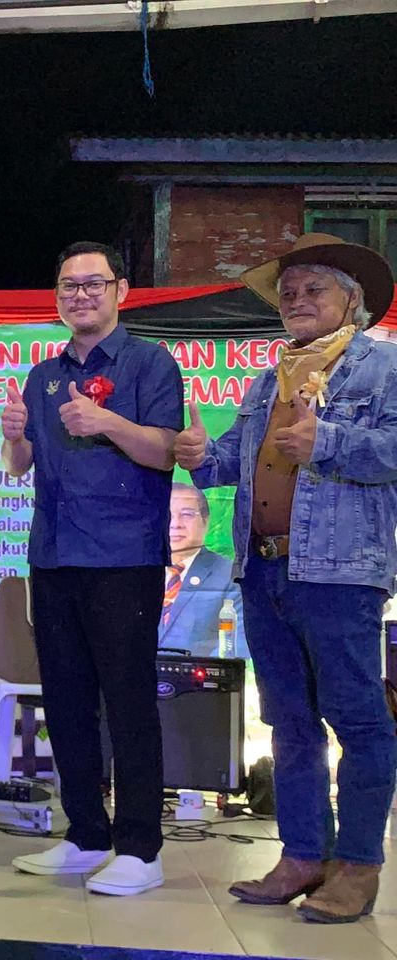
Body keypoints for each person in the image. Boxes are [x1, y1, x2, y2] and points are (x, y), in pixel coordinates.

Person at [175, 233, 397, 923]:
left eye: (313, 289)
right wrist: (197, 454)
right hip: (263, 570)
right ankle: (303, 855)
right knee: (290, 723)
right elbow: (227, 466)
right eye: (289, 292)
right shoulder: (267, 380)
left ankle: (357, 865)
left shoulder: (384, 367)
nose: (296, 301)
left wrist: (328, 441)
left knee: (358, 720)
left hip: (339, 576)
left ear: (352, 301)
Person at [1, 241, 183, 896]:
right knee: (66, 700)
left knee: (127, 702)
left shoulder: (150, 363)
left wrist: (106, 421)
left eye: (93, 284)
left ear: (121, 291)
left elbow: (166, 451)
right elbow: (20, 465)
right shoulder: (43, 374)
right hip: (54, 554)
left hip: (122, 557)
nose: (79, 295)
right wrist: (15, 434)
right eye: (68, 286)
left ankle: (140, 848)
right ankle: (85, 835)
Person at [158, 483, 246, 658]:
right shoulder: (137, 573)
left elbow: (237, 646)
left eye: (187, 515)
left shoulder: (230, 576)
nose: (175, 524)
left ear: (206, 522)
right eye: (167, 515)